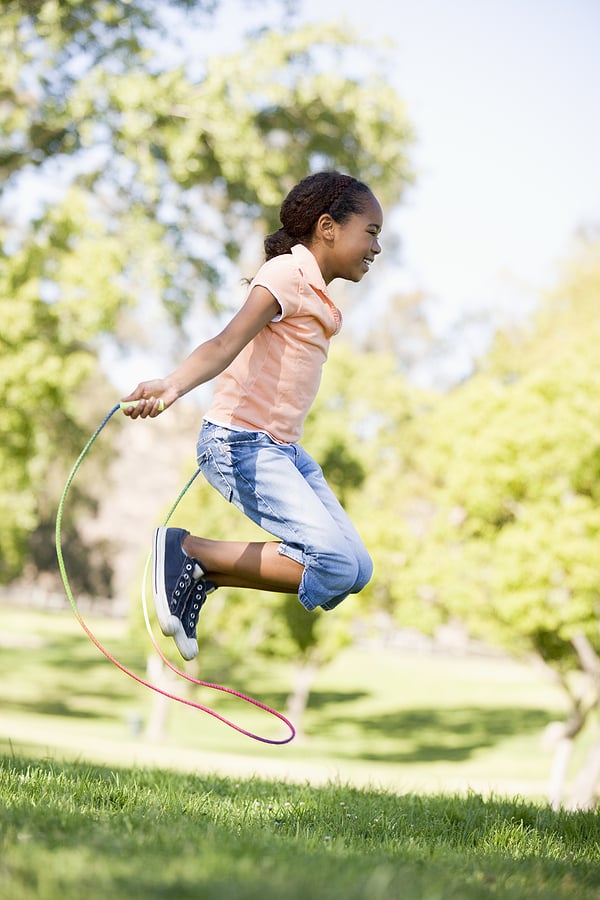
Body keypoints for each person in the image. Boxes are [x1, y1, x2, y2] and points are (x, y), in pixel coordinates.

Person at [122, 170, 383, 660]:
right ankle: (190, 551)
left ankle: (202, 570)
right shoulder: (288, 274)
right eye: (371, 232)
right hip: (239, 443)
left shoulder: (317, 294)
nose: (376, 247)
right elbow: (226, 341)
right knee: (329, 562)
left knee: (357, 570)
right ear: (327, 227)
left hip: (285, 452)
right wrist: (173, 384)